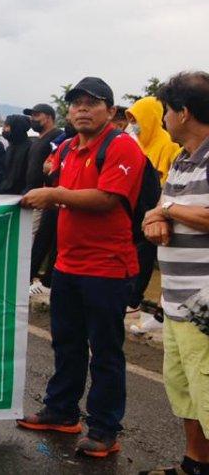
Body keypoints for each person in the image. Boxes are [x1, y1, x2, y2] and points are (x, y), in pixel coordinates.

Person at [17, 77, 147, 458]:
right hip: (68, 264)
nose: (82, 109)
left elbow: (107, 199)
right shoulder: (67, 148)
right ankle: (61, 411)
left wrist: (54, 194)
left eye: (93, 103)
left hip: (107, 267)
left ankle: (105, 428)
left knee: (105, 351)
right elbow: (56, 195)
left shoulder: (121, 146)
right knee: (66, 342)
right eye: (76, 103)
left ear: (110, 110)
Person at [139, 71, 209, 475]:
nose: (163, 117)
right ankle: (194, 464)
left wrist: (168, 212)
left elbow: (176, 210)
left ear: (183, 112)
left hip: (205, 305)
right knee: (185, 392)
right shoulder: (182, 159)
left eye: (166, 109)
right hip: (178, 302)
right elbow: (160, 211)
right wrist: (156, 220)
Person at [128, 95, 185, 333]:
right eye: (130, 119)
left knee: (156, 260)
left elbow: (172, 183)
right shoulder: (136, 143)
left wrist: (162, 210)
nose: (133, 124)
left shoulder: (169, 145)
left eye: (136, 119)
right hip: (143, 211)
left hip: (162, 213)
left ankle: (154, 312)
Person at [24, 103, 64, 296]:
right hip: (31, 194)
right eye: (31, 116)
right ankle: (26, 276)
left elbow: (55, 166)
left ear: (48, 117)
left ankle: (32, 279)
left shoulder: (57, 138)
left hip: (46, 195)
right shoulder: (36, 140)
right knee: (31, 238)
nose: (33, 119)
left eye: (36, 116)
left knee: (35, 238)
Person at [0, 114, 34, 195]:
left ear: (16, 128)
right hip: (6, 194)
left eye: (7, 126)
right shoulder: (9, 148)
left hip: (22, 196)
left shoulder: (30, 148)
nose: (3, 129)